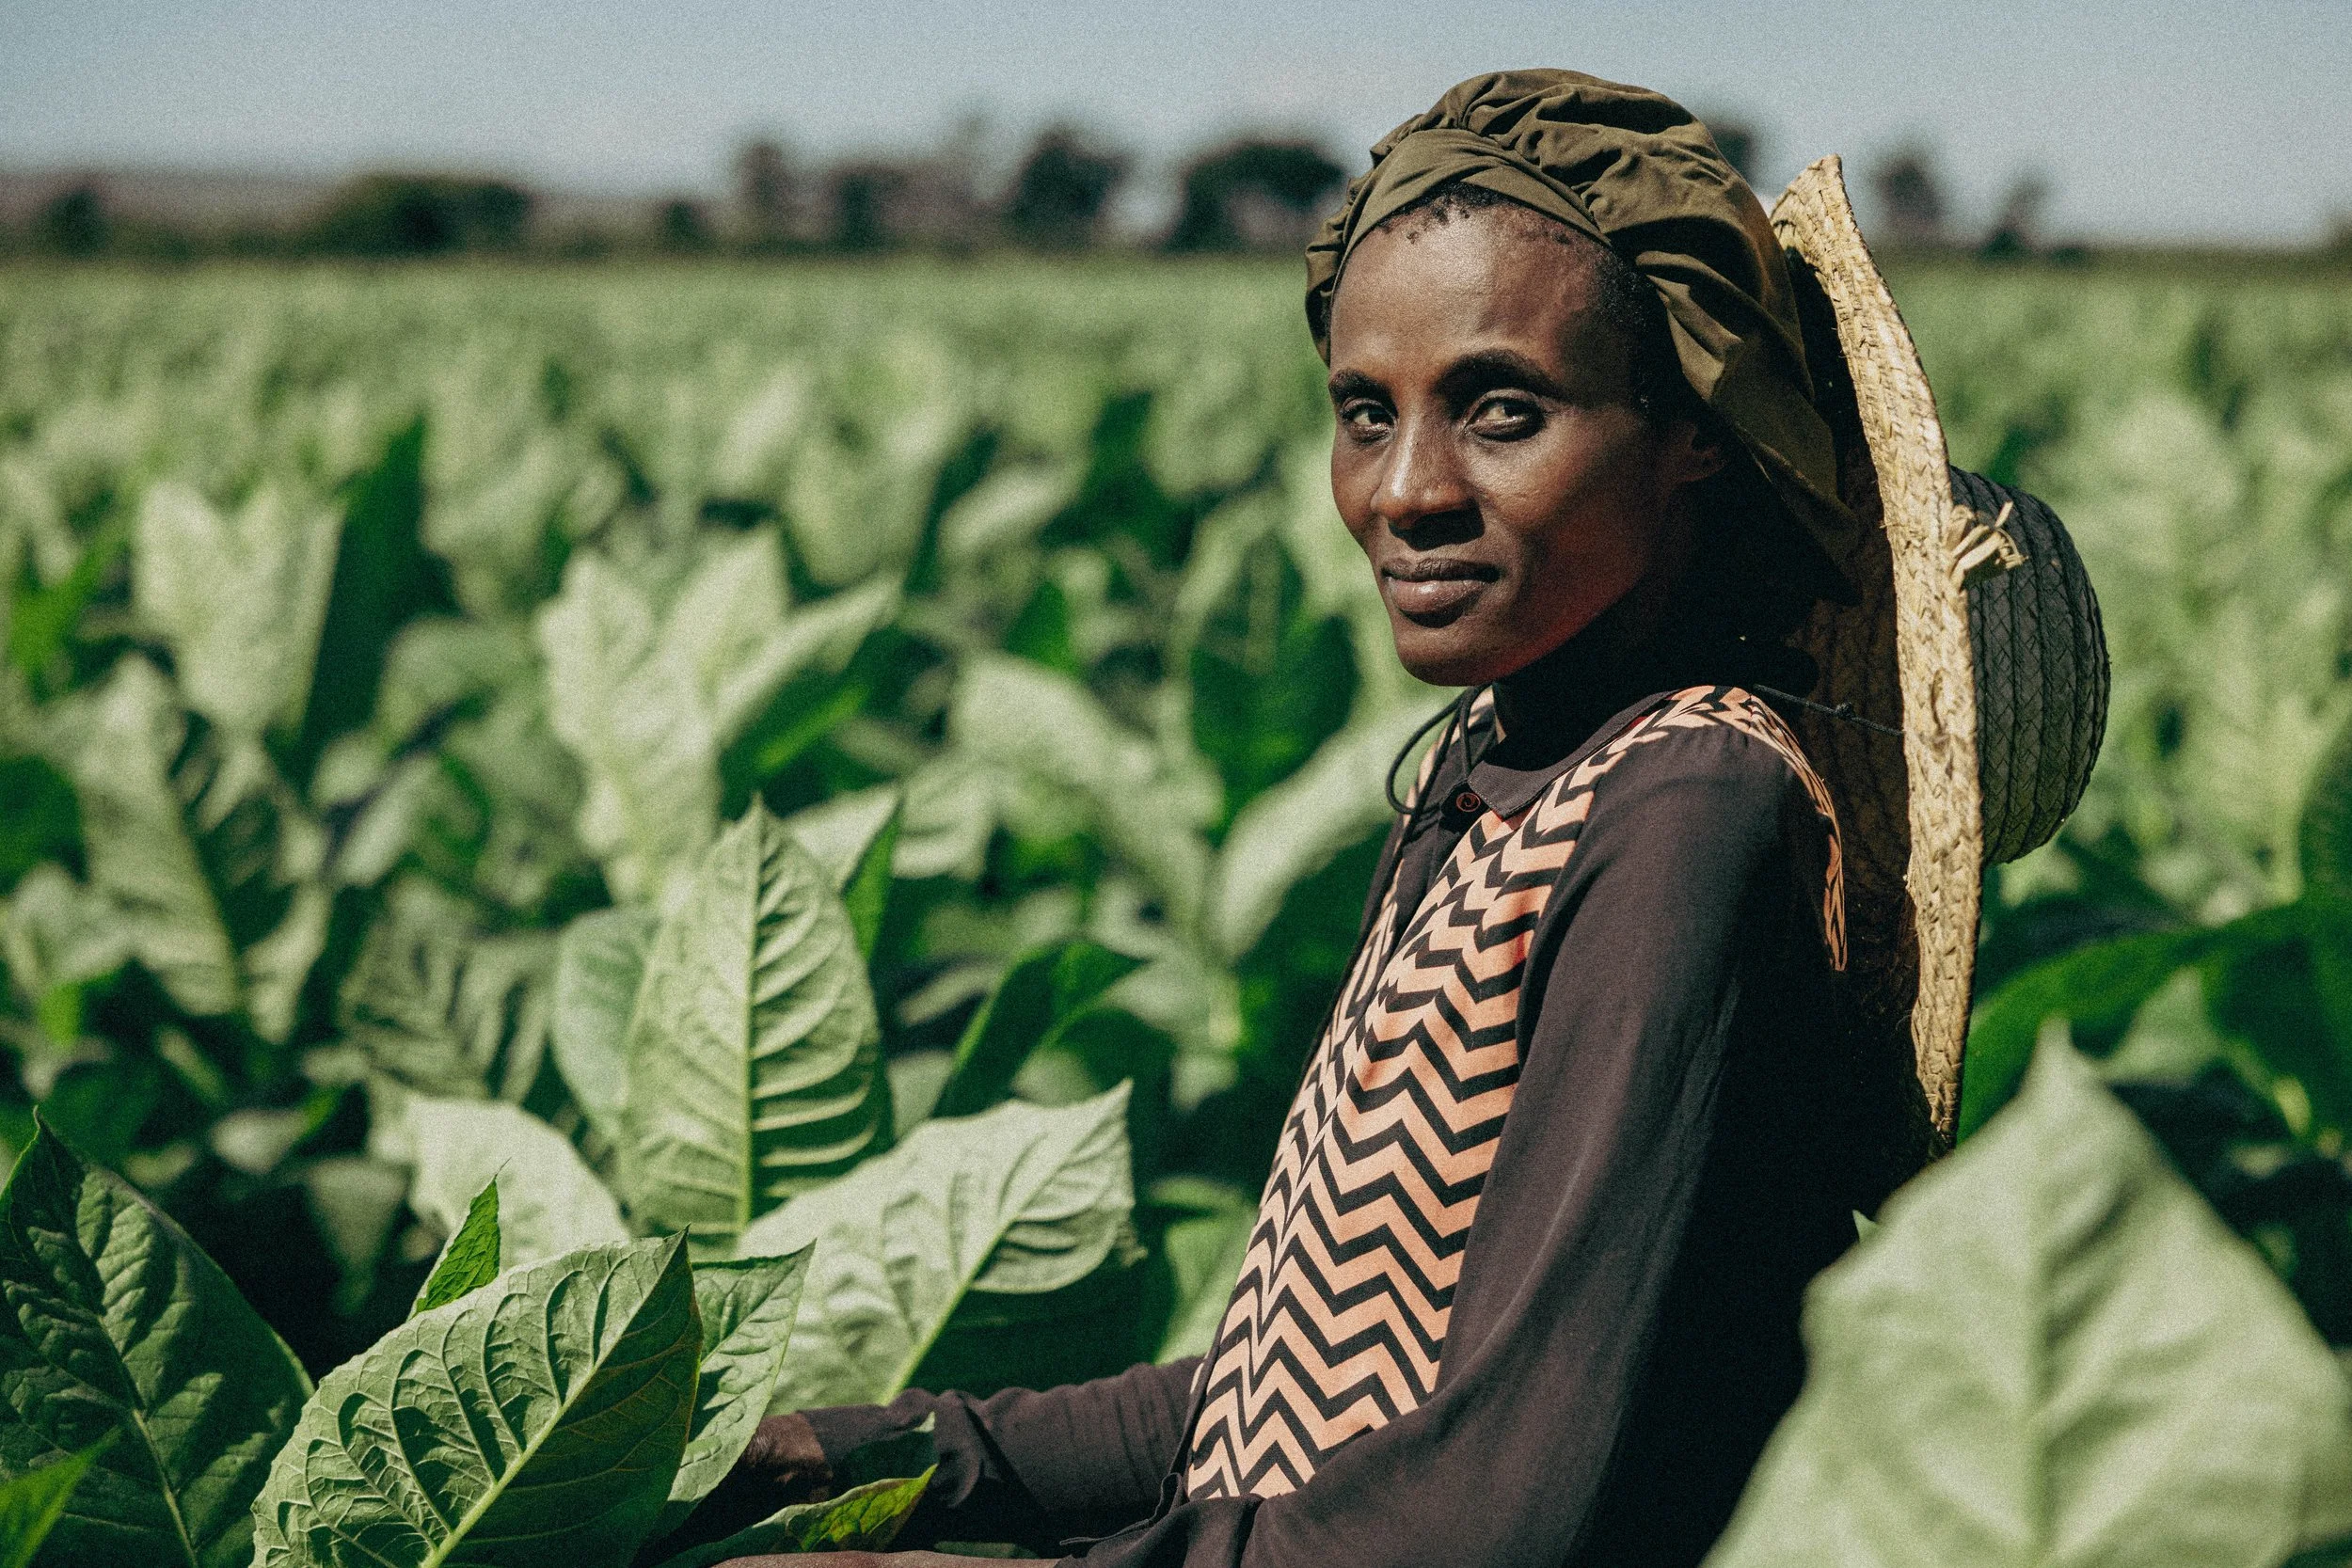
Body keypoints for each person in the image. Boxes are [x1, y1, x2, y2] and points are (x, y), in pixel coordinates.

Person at [702, 67, 2107, 1568]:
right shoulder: (1501, 769)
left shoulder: (1689, 805)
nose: (1407, 489)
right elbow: (1293, 1388)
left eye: (1506, 410)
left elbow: (1492, 1510)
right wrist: (861, 1458)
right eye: (1365, 414)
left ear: (1691, 428)